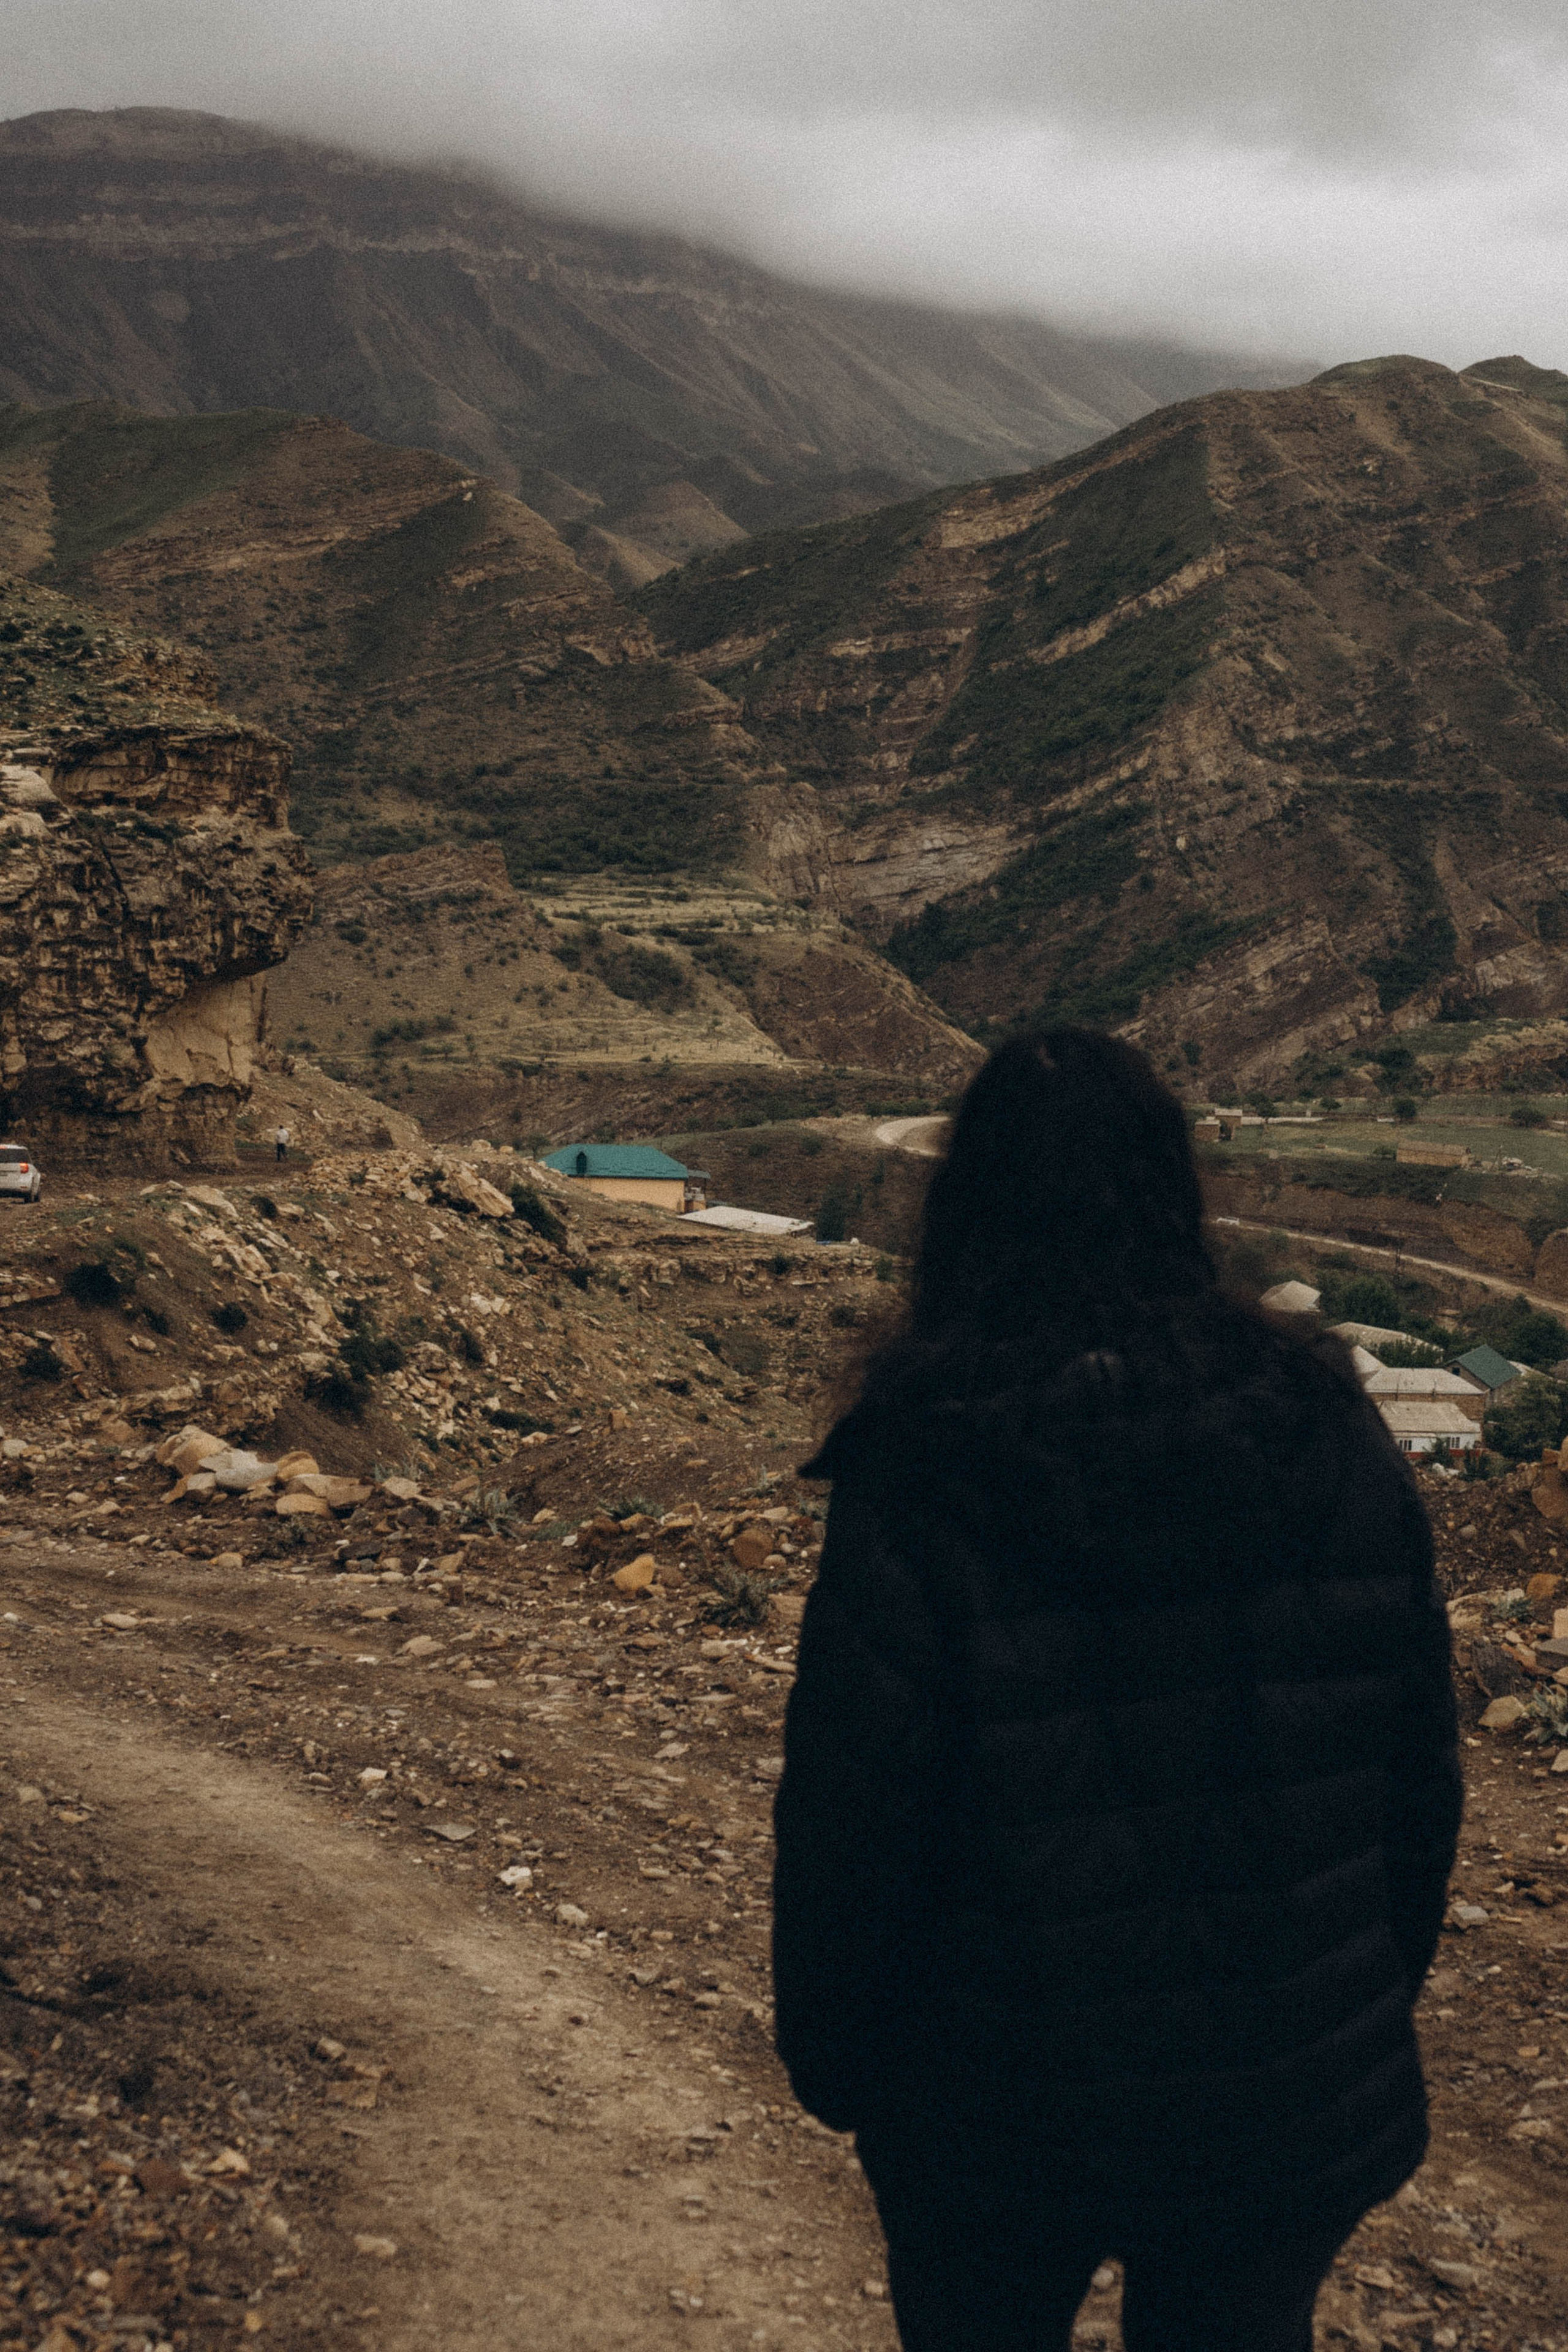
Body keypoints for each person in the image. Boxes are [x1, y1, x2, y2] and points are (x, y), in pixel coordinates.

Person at [772, 1028, 1460, 2352]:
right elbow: (1412, 1775)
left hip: (993, 2106)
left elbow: (855, 1813)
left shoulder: (923, 1459)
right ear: (1172, 1190)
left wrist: (839, 2060)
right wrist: (1355, 2000)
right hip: (1278, 2102)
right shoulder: (1328, 1427)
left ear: (964, 1206)